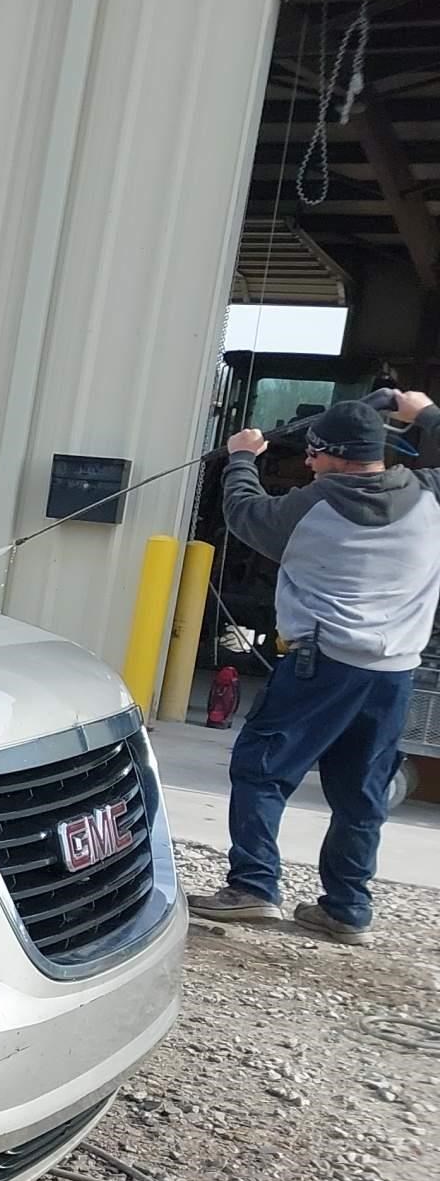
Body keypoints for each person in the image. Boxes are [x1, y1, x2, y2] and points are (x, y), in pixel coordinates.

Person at [188, 389, 440, 941]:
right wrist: (423, 413)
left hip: (321, 664)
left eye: (315, 453)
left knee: (262, 768)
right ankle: (347, 908)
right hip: (395, 672)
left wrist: (241, 457)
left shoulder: (309, 507)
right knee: (361, 790)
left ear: (333, 455)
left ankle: (253, 887)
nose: (307, 462)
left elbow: (242, 513)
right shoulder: (429, 495)